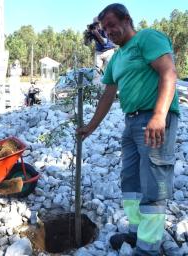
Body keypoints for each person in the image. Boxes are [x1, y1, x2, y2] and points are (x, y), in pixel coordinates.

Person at [77, 4, 180, 256]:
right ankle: (137, 233)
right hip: (131, 122)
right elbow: (107, 95)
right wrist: (90, 126)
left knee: (153, 184)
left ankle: (149, 248)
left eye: (112, 25)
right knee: (130, 181)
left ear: (127, 20)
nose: (109, 32)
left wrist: (159, 115)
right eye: (104, 28)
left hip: (153, 119)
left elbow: (169, 73)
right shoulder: (118, 57)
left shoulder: (147, 38)